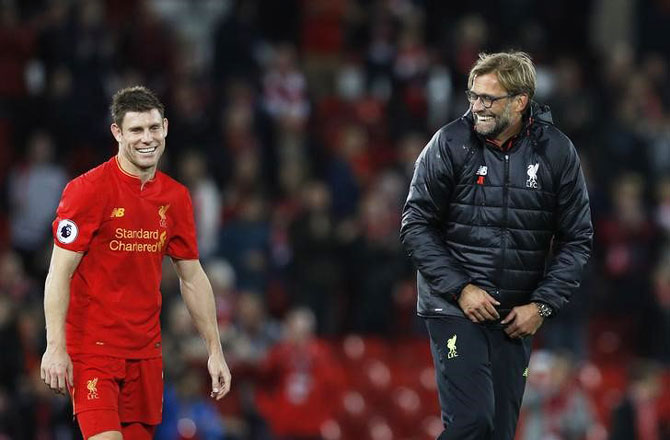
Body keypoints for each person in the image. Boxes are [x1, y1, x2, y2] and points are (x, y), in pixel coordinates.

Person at [400, 52, 593, 439]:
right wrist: (461, 288)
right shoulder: (450, 143)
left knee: (499, 432)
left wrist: (542, 305)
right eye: (474, 96)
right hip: (454, 306)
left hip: (516, 314)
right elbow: (415, 225)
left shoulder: (556, 152)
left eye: (489, 99)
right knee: (472, 422)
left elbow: (577, 240)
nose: (478, 107)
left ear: (520, 101)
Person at [40, 86, 231, 440]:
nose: (147, 139)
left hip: (145, 354)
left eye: (153, 128)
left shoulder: (175, 198)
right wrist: (55, 347)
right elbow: (58, 274)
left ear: (166, 128)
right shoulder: (88, 190)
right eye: (136, 130)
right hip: (93, 349)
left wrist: (214, 351)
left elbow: (192, 277)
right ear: (117, 132)